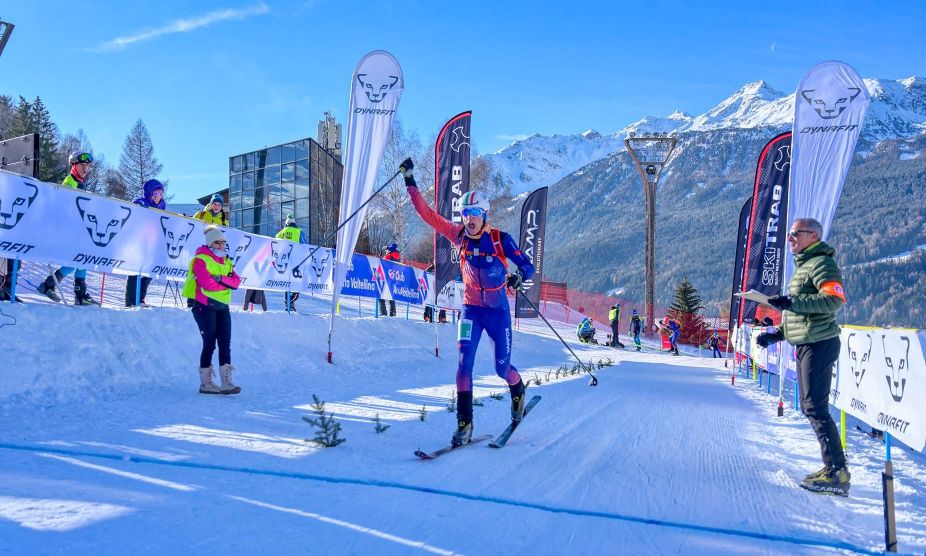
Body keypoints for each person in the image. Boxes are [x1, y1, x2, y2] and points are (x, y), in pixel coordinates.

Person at [401, 157, 535, 447]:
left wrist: (518, 277)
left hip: (497, 312)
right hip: (471, 310)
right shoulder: (458, 235)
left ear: (485, 214)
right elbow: (427, 215)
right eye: (464, 213)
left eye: (474, 213)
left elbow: (527, 265)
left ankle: (517, 388)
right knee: (463, 366)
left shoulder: (501, 240)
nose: (469, 219)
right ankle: (464, 424)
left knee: (502, 369)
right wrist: (410, 182)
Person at [756, 217, 850, 496]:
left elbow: (834, 300)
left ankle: (837, 472)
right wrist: (778, 333)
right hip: (808, 342)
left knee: (815, 407)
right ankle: (833, 467)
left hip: (820, 343)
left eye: (796, 233)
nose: (790, 238)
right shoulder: (804, 266)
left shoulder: (823, 263)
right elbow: (802, 315)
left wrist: (793, 301)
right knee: (812, 407)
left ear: (813, 236)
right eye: (789, 234)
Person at [182, 225, 242, 395]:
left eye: (223, 243)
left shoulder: (227, 260)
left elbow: (237, 282)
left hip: (222, 305)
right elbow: (206, 283)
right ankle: (206, 384)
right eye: (218, 243)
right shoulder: (200, 259)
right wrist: (226, 284)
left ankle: (227, 382)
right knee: (209, 343)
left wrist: (220, 279)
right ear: (210, 244)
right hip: (204, 304)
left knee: (225, 342)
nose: (221, 246)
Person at [37, 152, 99, 305]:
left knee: (84, 259)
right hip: (69, 229)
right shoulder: (70, 182)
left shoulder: (81, 183)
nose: (85, 168)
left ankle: (79, 294)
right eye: (82, 165)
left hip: (79, 229)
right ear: (74, 165)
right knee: (80, 258)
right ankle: (50, 284)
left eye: (87, 166)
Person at [125, 179, 166, 307]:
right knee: (135, 271)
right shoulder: (141, 202)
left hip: (152, 243)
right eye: (155, 194)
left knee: (149, 271)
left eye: (160, 194)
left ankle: (140, 298)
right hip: (138, 241)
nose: (158, 197)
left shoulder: (162, 206)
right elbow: (133, 212)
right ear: (149, 193)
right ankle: (131, 300)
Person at [275, 214, 306, 311]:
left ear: (286, 224)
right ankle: (290, 301)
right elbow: (305, 245)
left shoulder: (280, 234)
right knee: (297, 283)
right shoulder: (299, 232)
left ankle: (288, 304)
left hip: (284, 263)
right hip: (297, 262)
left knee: (287, 283)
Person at [379, 243, 400, 317]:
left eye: (387, 250)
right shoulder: (398, 257)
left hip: (386, 277)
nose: (386, 251)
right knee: (391, 296)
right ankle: (393, 313)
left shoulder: (389, 255)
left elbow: (382, 263)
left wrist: (381, 258)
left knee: (381, 295)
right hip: (393, 278)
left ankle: (383, 313)